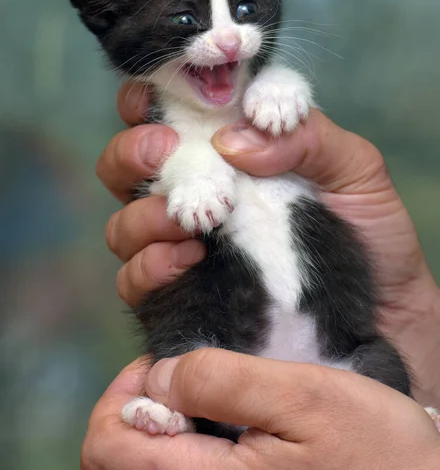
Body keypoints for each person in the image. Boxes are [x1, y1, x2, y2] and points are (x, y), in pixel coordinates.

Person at [81, 81, 440, 469]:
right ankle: (179, 412)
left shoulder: (267, 97)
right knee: (183, 315)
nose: (227, 44)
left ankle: (179, 407)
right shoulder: (177, 136)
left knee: (376, 359)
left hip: (337, 353)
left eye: (246, 14)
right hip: (233, 367)